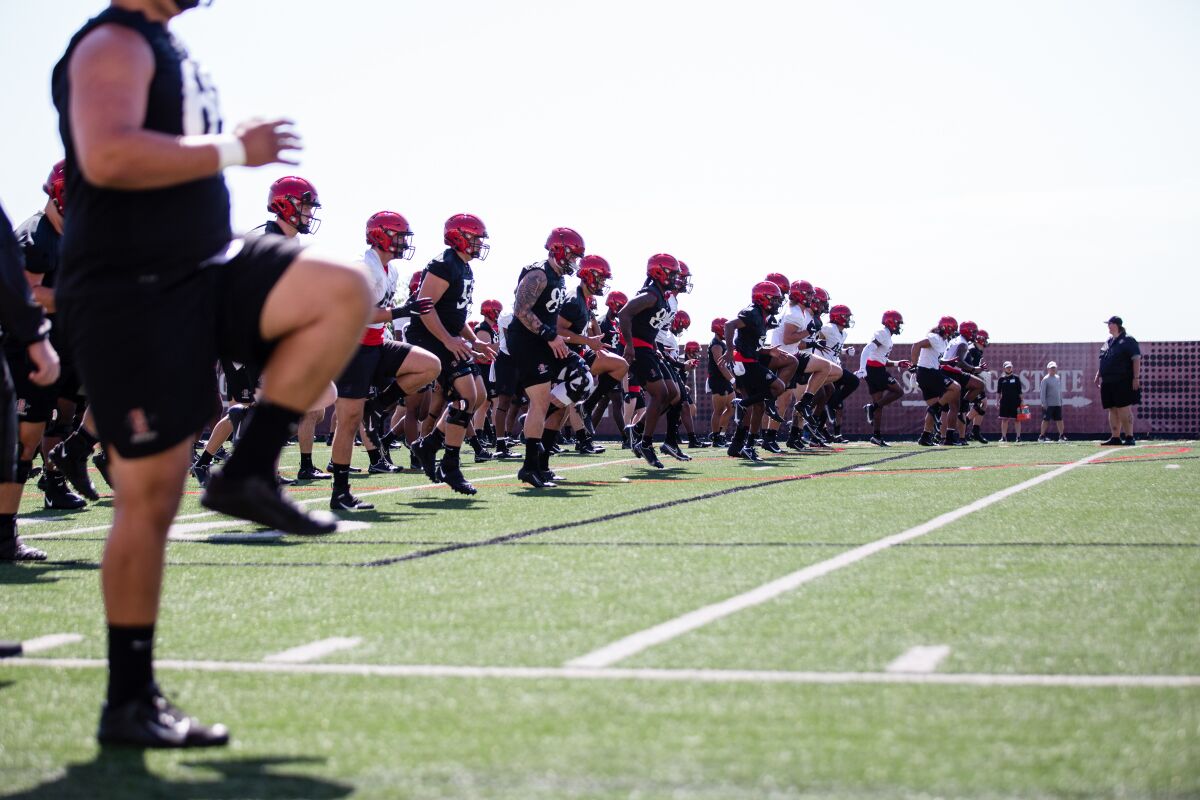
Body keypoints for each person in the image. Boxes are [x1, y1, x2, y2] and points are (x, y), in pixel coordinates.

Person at [52, 0, 372, 747]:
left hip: (204, 265)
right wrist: (234, 150)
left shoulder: (165, 44)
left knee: (341, 289)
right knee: (150, 499)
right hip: (132, 286)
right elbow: (108, 157)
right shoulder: (113, 40)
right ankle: (129, 699)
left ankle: (249, 470)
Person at [329, 211, 438, 511]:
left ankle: (376, 408)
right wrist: (403, 311)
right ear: (381, 236)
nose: (403, 242)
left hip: (376, 343)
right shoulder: (365, 269)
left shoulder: (390, 271)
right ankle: (340, 492)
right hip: (352, 348)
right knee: (348, 423)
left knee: (430, 365)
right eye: (399, 236)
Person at [407, 214, 494, 493]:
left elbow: (456, 314)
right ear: (459, 236)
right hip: (430, 337)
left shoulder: (465, 268)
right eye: (475, 238)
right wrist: (447, 340)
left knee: (478, 396)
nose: (479, 244)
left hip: (447, 337)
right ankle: (450, 464)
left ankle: (428, 445)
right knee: (467, 397)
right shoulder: (444, 264)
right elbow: (426, 306)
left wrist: (472, 340)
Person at [0, 199, 60, 562]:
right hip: (19, 350)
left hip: (49, 349)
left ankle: (5, 537)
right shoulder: (36, 236)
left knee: (20, 444)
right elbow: (27, 292)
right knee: (16, 444)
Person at [507, 227, 587, 487]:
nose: (575, 262)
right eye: (573, 256)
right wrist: (549, 334)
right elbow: (520, 310)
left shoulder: (558, 277)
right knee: (539, 403)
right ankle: (530, 467)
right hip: (528, 342)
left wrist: (552, 336)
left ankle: (542, 459)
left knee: (582, 380)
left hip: (546, 341)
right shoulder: (538, 273)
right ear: (559, 251)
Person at [618, 254, 684, 469]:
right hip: (637, 348)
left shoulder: (662, 295)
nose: (676, 277)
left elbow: (648, 325)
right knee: (660, 394)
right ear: (660, 272)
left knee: (674, 393)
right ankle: (645, 442)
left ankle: (637, 430)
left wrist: (654, 346)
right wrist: (628, 344)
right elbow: (624, 313)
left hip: (648, 347)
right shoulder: (651, 294)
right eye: (673, 273)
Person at [909, 316, 962, 446]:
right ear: (946, 328)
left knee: (933, 406)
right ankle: (936, 410)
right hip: (928, 372)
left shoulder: (942, 341)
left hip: (927, 373)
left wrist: (948, 361)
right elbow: (917, 345)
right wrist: (914, 365)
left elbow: (937, 359)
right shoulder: (935, 337)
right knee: (956, 388)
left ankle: (925, 437)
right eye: (953, 329)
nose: (954, 332)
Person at [858, 309, 905, 446]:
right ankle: (871, 408)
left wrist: (897, 363)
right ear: (891, 322)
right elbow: (867, 349)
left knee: (880, 405)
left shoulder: (887, 336)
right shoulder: (883, 333)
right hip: (875, 370)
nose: (899, 326)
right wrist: (862, 368)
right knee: (898, 391)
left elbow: (881, 359)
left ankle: (876, 436)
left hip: (875, 368)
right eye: (898, 323)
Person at [1096, 316, 1140, 446]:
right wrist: (1098, 374)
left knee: (1123, 408)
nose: (1108, 326)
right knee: (1112, 408)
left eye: (1109, 324)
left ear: (1116, 325)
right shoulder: (1108, 341)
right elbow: (1103, 358)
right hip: (1108, 380)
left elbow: (1136, 358)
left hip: (1123, 380)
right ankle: (1115, 437)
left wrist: (1136, 378)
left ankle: (1129, 436)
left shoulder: (1128, 340)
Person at [1038, 361, 1065, 442]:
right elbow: (1042, 393)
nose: (1053, 369)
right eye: (1051, 368)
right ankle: (1041, 437)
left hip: (1057, 403)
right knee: (1046, 420)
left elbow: (1059, 391)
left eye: (1054, 368)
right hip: (1048, 404)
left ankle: (1061, 436)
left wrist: (1060, 401)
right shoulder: (1045, 379)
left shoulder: (1058, 377)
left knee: (1059, 420)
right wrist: (1044, 403)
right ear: (1048, 369)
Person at [997, 361, 1023, 443]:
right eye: (1007, 367)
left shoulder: (1016, 378)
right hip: (1004, 402)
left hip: (1016, 402)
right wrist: (997, 401)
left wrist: (1022, 401)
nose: (1009, 368)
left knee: (1017, 420)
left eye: (1010, 367)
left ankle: (1018, 437)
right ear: (1004, 368)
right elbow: (998, 392)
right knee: (1004, 420)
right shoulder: (1001, 379)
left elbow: (1020, 391)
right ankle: (1003, 437)